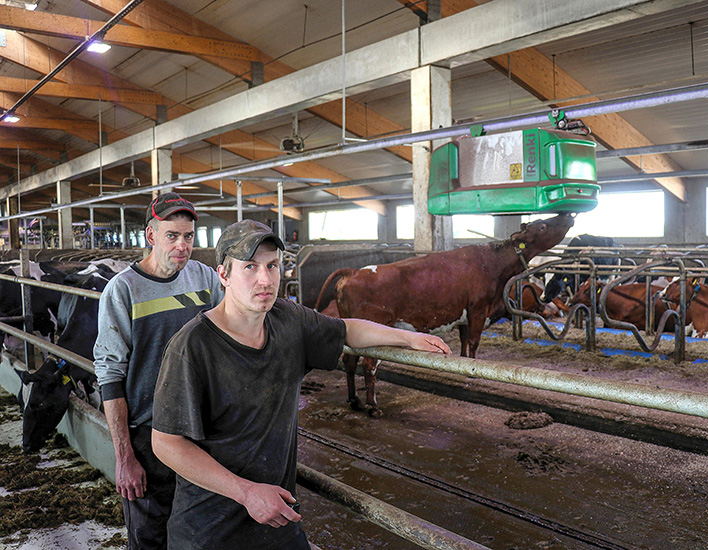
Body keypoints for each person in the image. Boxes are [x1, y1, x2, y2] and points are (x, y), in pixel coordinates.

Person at [151, 219, 450, 550]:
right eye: (250, 267)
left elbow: (346, 330)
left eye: (272, 266)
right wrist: (246, 492)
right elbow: (166, 443)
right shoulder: (192, 347)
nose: (265, 279)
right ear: (224, 275)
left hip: (279, 523)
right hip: (210, 531)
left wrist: (408, 338)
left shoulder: (288, 319)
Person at [94, 193, 224, 550]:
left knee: (200, 535)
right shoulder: (123, 290)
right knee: (149, 536)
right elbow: (110, 376)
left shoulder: (205, 278)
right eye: (172, 235)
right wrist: (124, 458)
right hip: (149, 437)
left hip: (200, 429)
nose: (182, 245)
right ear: (151, 235)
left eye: (188, 236)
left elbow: (229, 334)